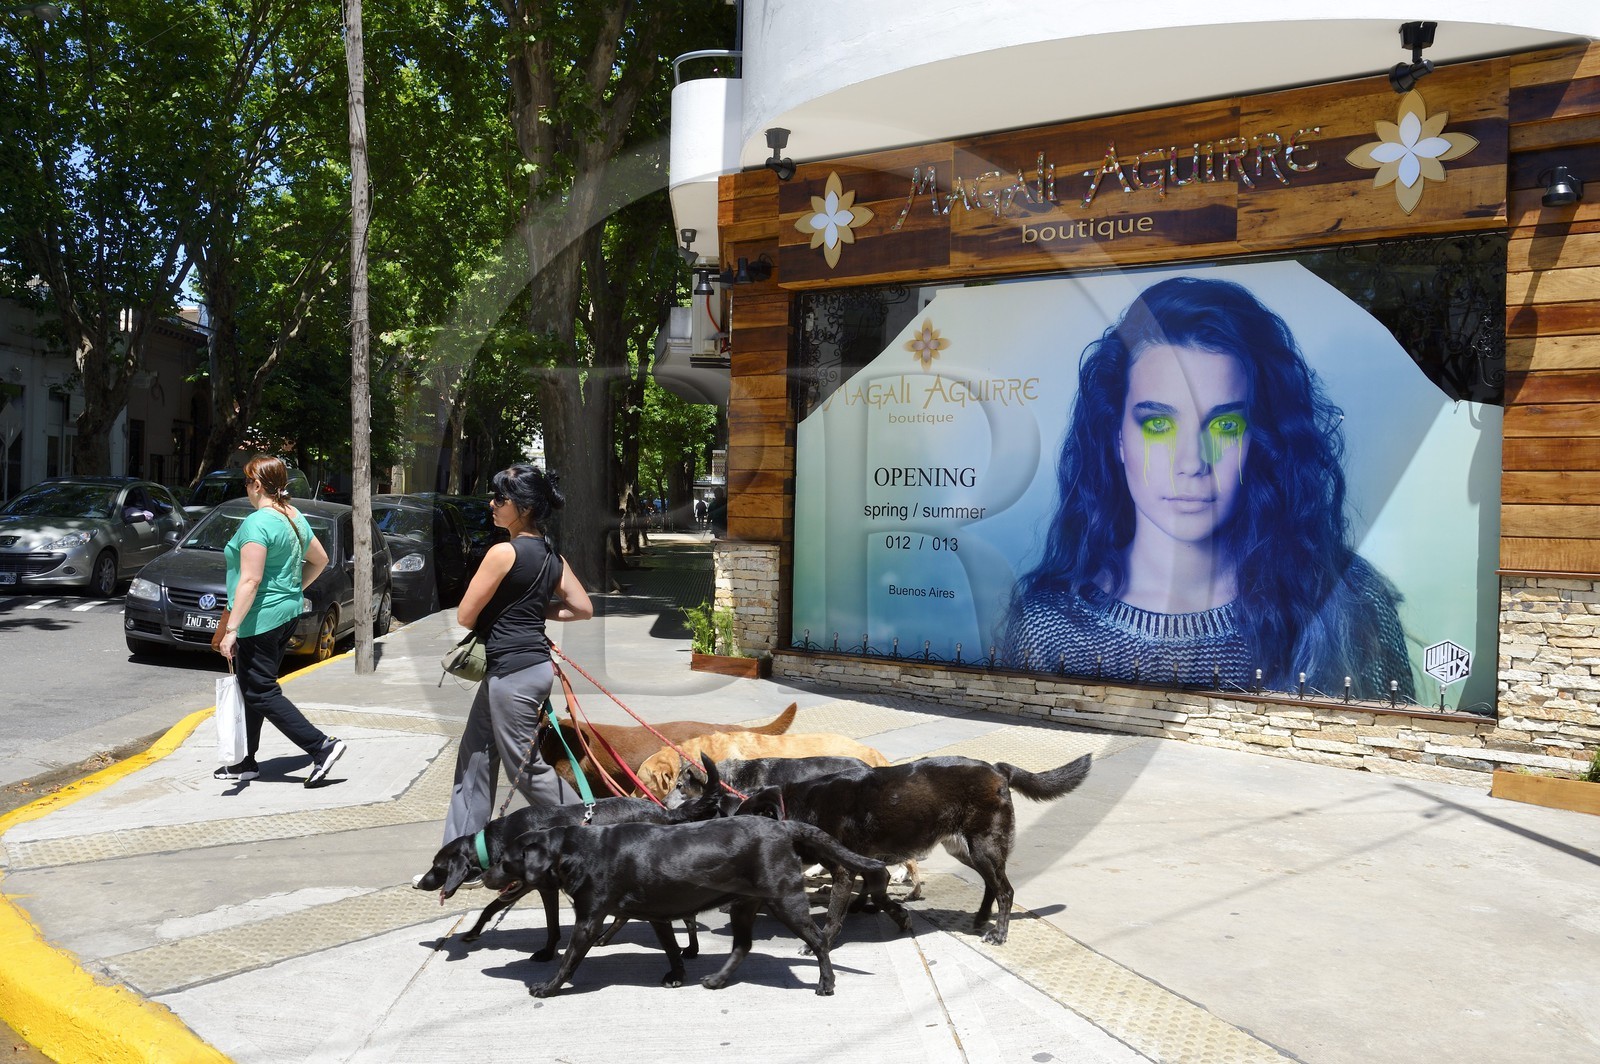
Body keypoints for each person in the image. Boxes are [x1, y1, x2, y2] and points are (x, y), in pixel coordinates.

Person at [1003, 275, 1414, 700]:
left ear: (1260, 439)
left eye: (1225, 425)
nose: (1193, 462)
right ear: (1117, 438)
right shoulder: (1050, 625)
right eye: (1158, 424)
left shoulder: (1345, 602)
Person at [441, 464, 594, 862]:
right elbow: (581, 608)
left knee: (526, 770)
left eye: (500, 499)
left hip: (514, 676)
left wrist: (514, 613)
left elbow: (465, 616)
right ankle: (463, 855)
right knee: (474, 757)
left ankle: (594, 833)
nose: (492, 505)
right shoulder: (550, 555)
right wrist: (534, 612)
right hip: (521, 670)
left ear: (523, 506)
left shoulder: (503, 552)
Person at [214, 456, 345, 784]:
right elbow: (321, 559)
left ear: (257, 485)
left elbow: (250, 580)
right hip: (286, 614)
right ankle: (246, 760)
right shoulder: (293, 515)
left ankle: (321, 747)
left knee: (261, 691)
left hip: (260, 619)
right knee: (251, 687)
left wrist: (230, 630)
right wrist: (291, 589)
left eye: (246, 482)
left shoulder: (257, 523)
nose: (246, 488)